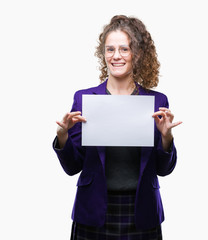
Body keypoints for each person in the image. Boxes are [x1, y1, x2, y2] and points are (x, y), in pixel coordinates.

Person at [53, 15, 182, 240]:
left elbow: (164, 169)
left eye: (124, 49)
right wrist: (62, 137)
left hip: (141, 211)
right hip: (93, 210)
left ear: (138, 54)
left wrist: (166, 139)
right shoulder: (84, 99)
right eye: (110, 49)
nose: (116, 56)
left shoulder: (157, 100)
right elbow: (73, 166)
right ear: (103, 54)